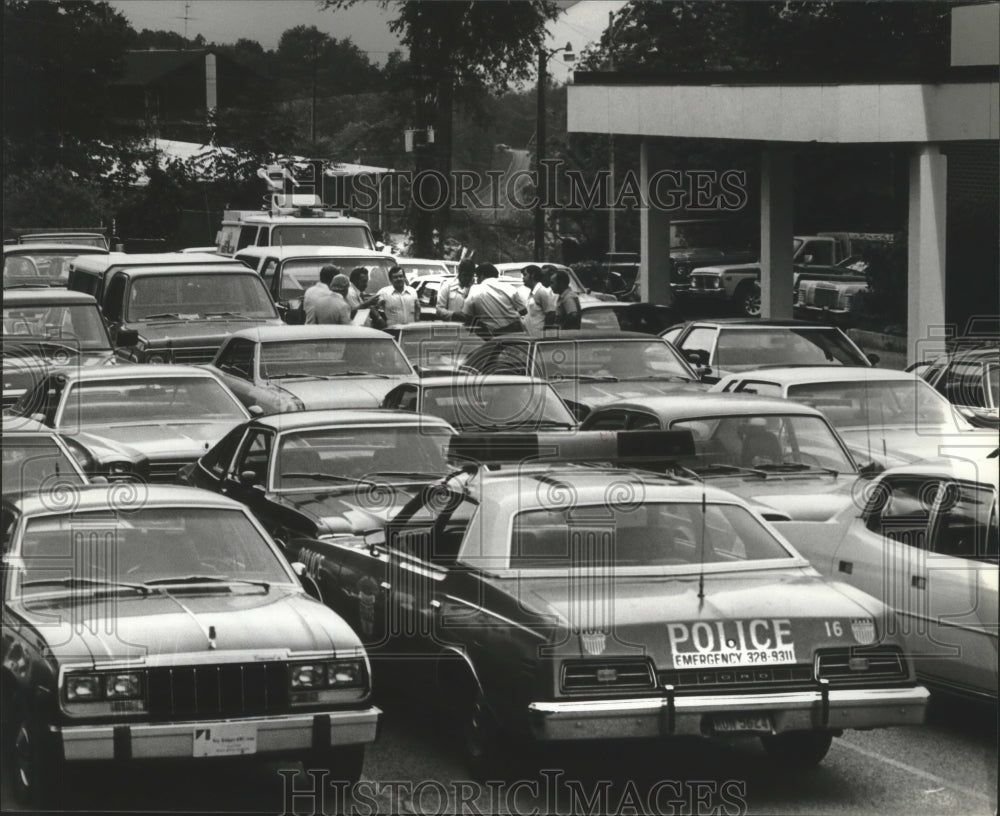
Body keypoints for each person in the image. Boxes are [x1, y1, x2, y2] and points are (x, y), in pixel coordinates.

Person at [461, 263, 528, 338]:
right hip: (517, 331)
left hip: (495, 335)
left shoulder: (475, 290)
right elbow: (523, 311)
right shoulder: (510, 287)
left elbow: (466, 315)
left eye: (477, 277)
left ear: (482, 276)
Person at [521, 265, 557, 335]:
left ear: (533, 275)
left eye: (525, 275)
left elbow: (551, 313)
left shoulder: (542, 291)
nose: (523, 278)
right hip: (531, 335)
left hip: (539, 336)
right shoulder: (532, 292)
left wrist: (545, 333)